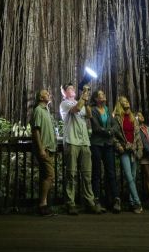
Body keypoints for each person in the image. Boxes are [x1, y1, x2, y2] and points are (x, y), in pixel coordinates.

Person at [59, 82, 104, 215]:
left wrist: (86, 98)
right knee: (71, 174)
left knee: (87, 174)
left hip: (84, 142)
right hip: (71, 141)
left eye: (73, 88)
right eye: (69, 88)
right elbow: (76, 109)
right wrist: (83, 97)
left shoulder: (81, 101)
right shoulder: (65, 103)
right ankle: (70, 203)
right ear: (64, 93)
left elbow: (89, 115)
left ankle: (89, 202)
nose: (72, 89)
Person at [88, 88, 121, 212]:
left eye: (104, 94)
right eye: (101, 95)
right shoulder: (93, 110)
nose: (104, 96)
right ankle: (96, 200)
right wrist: (108, 132)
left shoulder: (107, 109)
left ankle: (115, 200)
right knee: (96, 173)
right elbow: (96, 127)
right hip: (97, 144)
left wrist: (109, 131)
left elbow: (115, 125)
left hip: (108, 144)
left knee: (111, 172)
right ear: (96, 99)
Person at [112, 96, 143, 212]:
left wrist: (139, 149)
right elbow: (114, 136)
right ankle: (138, 202)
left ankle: (131, 202)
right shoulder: (117, 118)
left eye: (127, 101)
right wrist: (119, 146)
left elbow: (138, 135)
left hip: (133, 150)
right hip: (124, 150)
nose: (127, 103)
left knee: (133, 177)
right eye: (124, 101)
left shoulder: (133, 118)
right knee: (129, 177)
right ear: (120, 104)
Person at [30, 88, 58, 216]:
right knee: (50, 175)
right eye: (46, 93)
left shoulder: (47, 111)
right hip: (44, 149)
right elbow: (35, 131)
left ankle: (44, 206)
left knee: (45, 176)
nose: (49, 94)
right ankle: (42, 204)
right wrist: (41, 149)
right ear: (41, 98)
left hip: (50, 149)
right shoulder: (38, 110)